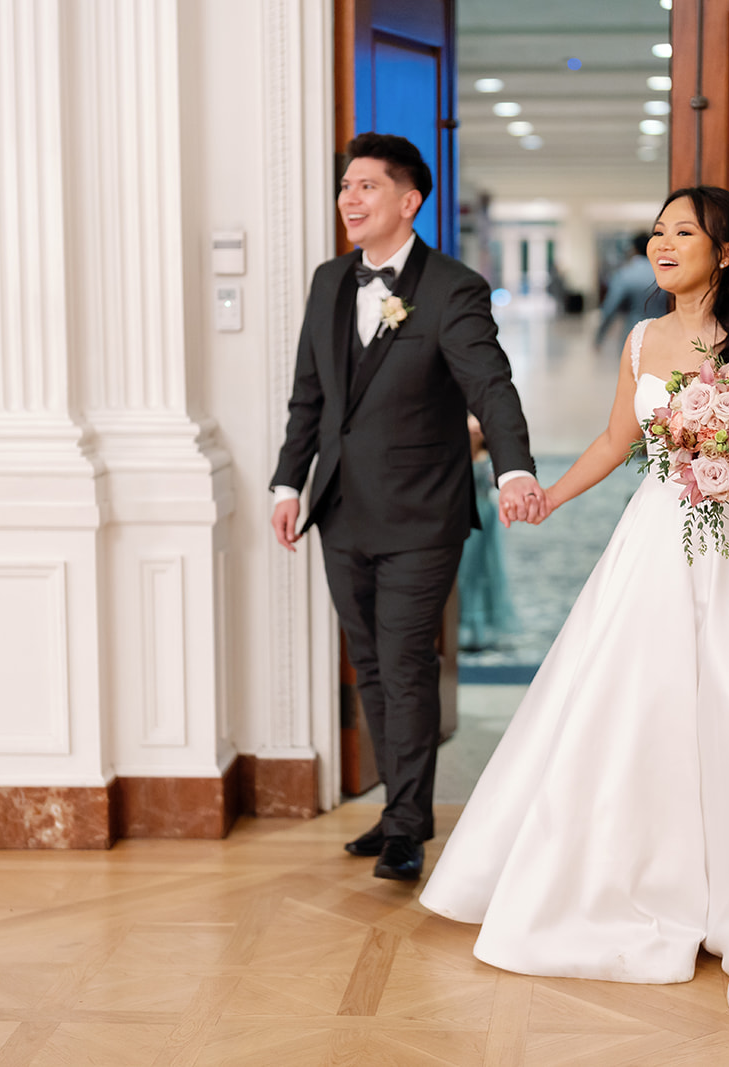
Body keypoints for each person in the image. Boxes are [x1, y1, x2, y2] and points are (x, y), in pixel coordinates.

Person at [420, 186, 729, 1015]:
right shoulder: (641, 338)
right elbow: (619, 442)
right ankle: (629, 876)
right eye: (656, 232)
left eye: (682, 232)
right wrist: (548, 495)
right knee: (635, 702)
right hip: (656, 544)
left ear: (725, 252)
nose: (662, 244)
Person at [270, 132, 545, 882]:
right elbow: (312, 396)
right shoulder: (331, 281)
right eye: (344, 187)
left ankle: (405, 828)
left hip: (423, 510)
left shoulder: (453, 287)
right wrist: (289, 483)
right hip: (341, 509)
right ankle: (402, 809)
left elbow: (492, 385)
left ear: (407, 200)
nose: (348, 200)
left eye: (365, 186)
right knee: (371, 665)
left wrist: (514, 467)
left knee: (405, 661)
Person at [457, 415, 517, 651]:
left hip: (483, 517)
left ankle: (477, 626)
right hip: (466, 515)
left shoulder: (487, 457)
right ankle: (464, 624)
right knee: (465, 571)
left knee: (482, 569)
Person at [593, 233, 664, 345]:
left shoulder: (625, 274)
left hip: (634, 335)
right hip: (664, 335)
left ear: (634, 249)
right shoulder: (664, 273)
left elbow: (610, 308)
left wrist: (599, 337)